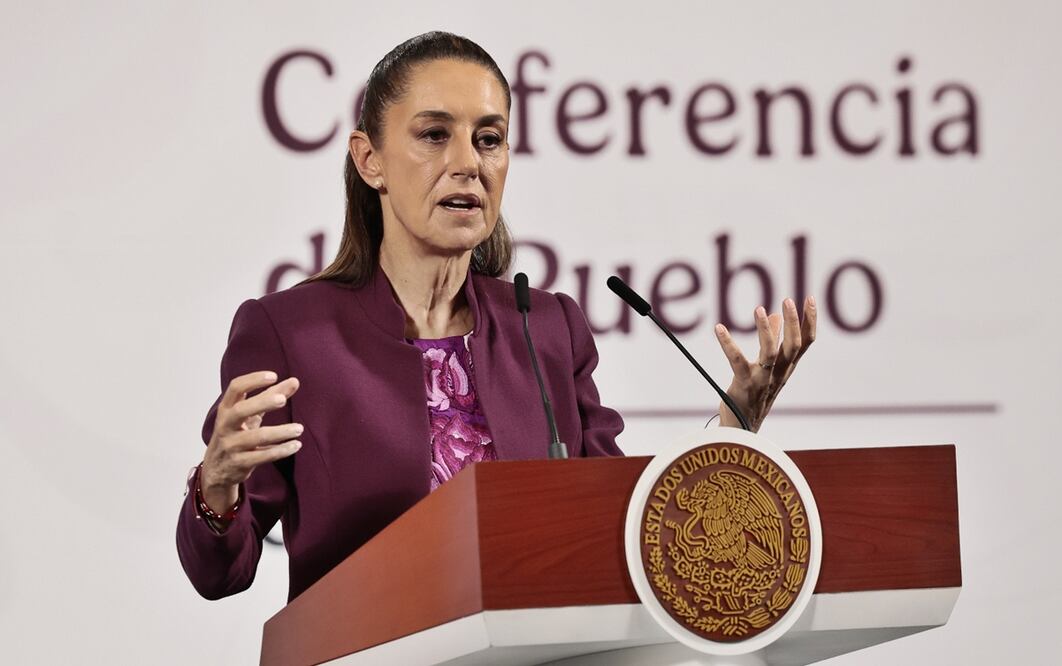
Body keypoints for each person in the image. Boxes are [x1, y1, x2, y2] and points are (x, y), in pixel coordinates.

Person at [176, 32, 815, 603]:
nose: (469, 163)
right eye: (434, 135)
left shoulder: (546, 330)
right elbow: (219, 576)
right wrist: (218, 488)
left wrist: (734, 420)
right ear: (370, 160)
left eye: (489, 139)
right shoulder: (292, 335)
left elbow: (625, 529)